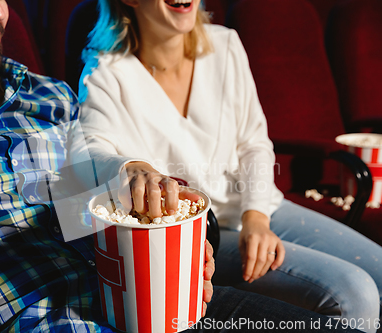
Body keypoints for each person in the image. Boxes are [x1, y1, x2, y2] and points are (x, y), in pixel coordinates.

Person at [0, 0, 366, 332]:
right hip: (38, 318)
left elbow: (89, 194)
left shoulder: (49, 94)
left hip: (140, 302)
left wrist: (175, 249)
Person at [76, 0, 382, 331]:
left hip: (258, 206)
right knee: (354, 293)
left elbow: (254, 142)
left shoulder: (225, 44)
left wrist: (256, 218)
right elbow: (88, 152)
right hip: (196, 234)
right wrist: (130, 167)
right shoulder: (104, 72)